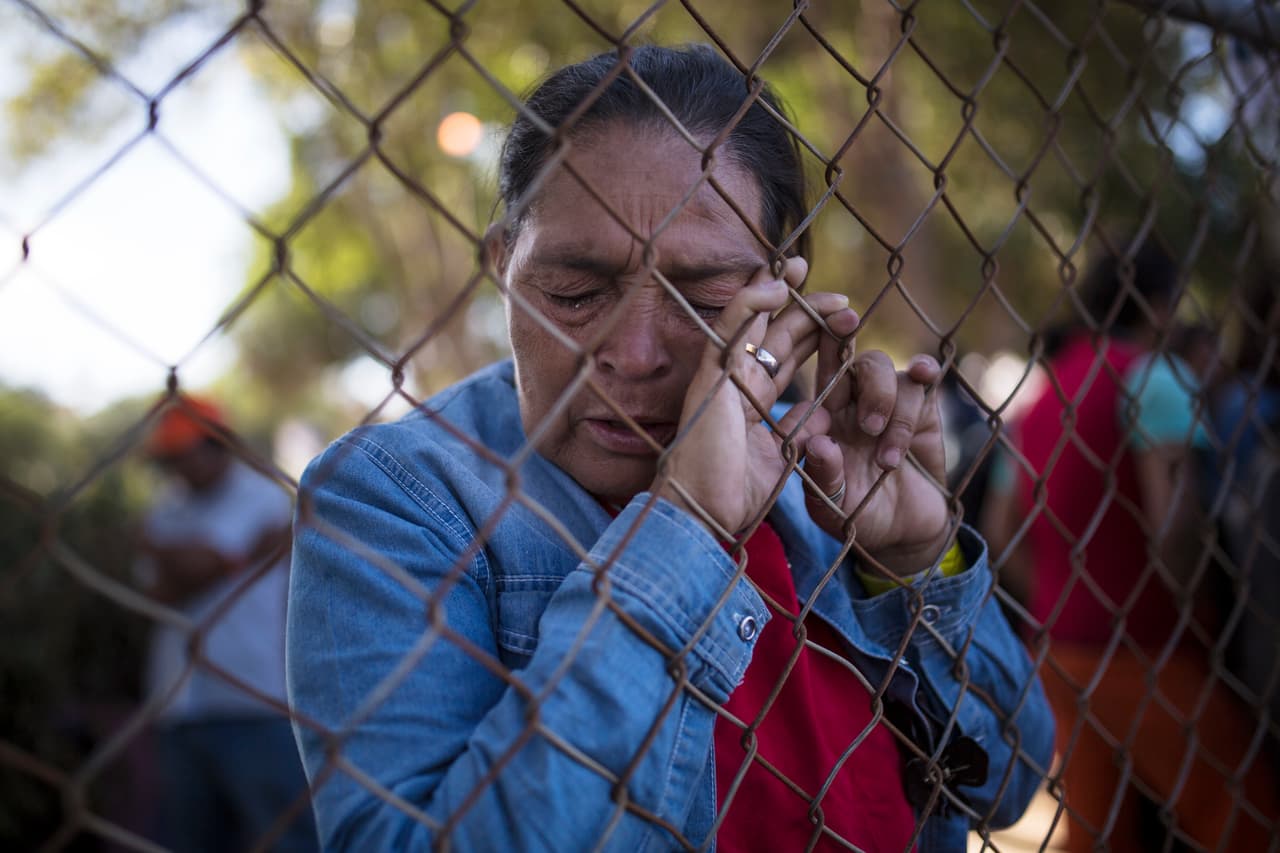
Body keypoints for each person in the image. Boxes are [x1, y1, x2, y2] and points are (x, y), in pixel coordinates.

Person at [287, 44, 1053, 851]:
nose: (637, 354)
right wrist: (682, 527)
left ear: (782, 291)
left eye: (706, 299)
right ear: (501, 264)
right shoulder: (396, 497)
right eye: (575, 295)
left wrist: (914, 562)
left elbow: (1010, 782)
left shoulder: (823, 470)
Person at [981, 240, 1280, 850]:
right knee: (1243, 813)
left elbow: (998, 527)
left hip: (1059, 649)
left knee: (1099, 831)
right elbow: (1172, 526)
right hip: (1145, 646)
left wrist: (1057, 598)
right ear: (1163, 307)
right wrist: (1200, 616)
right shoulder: (1153, 377)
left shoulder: (1045, 392)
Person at [138, 395, 316, 853]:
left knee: (283, 835)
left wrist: (183, 557)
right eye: (169, 458)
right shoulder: (166, 508)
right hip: (179, 701)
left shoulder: (261, 497)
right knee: (193, 838)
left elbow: (200, 566)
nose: (178, 467)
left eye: (186, 452)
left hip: (255, 696)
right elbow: (155, 591)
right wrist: (237, 560)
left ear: (220, 445)